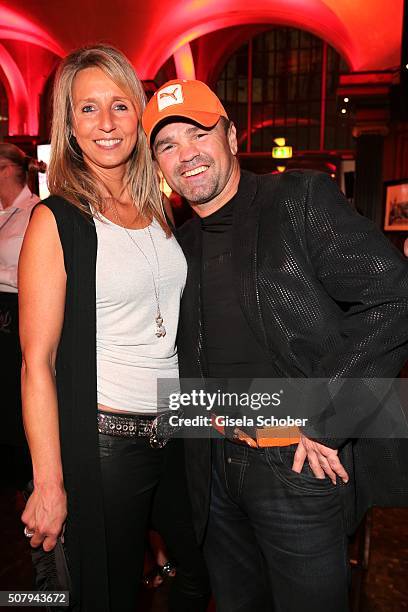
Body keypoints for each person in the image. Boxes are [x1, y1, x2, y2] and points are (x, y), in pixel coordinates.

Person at [142, 79, 408, 612]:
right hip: (214, 471)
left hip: (295, 463)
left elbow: (393, 295)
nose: (185, 154)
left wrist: (325, 416)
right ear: (157, 167)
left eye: (198, 133)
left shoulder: (297, 200)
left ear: (232, 136)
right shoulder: (178, 245)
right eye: (167, 145)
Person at [19, 48, 209, 612]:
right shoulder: (57, 220)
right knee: (109, 593)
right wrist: (49, 483)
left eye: (120, 106)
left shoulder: (160, 209)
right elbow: (37, 363)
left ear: (140, 116)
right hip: (106, 445)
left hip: (175, 432)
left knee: (200, 573)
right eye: (88, 109)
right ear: (70, 127)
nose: (106, 123)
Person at [0, 145, 45, 485]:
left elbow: (38, 274)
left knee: (20, 388)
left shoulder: (35, 211)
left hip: (18, 311)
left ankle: (29, 477)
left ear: (5, 170)